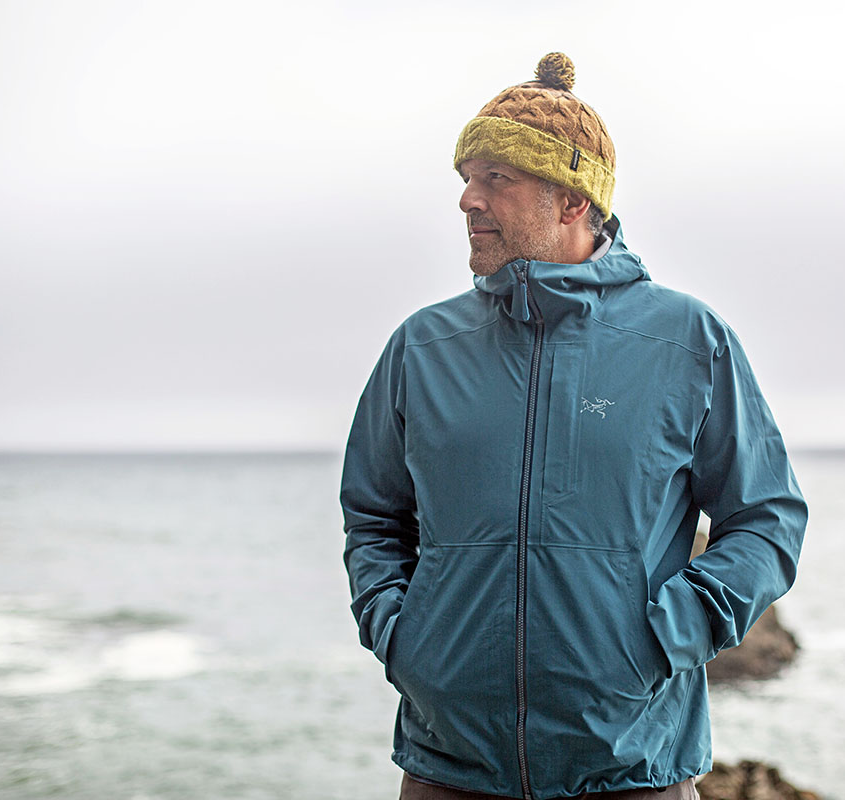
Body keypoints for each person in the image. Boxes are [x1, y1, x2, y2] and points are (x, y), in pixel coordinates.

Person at [341, 53, 808, 800]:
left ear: (571, 201)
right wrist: (404, 637)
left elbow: (767, 517)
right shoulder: (422, 348)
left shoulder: (686, 341)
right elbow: (372, 514)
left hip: (632, 770)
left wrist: (667, 634)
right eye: (466, 176)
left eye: (497, 178)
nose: (467, 199)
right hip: (449, 770)